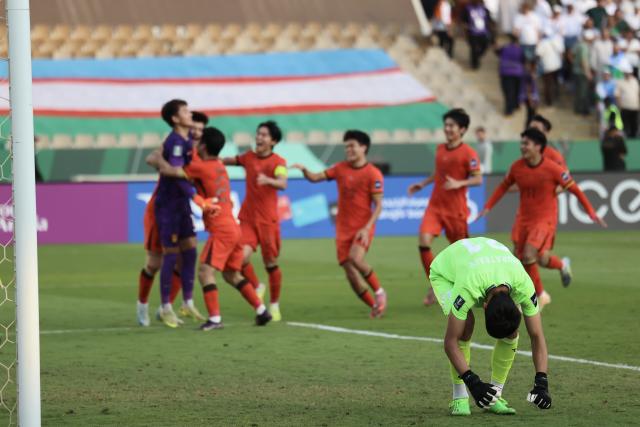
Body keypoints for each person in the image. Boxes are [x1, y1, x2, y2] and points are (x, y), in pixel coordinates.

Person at [148, 127, 272, 329]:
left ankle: (215, 319)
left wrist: (158, 157)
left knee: (205, 272)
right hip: (233, 227)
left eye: (199, 141)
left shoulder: (200, 167)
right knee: (232, 275)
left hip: (222, 229)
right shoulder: (219, 165)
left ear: (203, 145)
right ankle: (261, 311)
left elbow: (170, 171)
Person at [478, 128, 607, 309]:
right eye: (521, 143)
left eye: (526, 144)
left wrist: (591, 212)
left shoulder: (553, 169)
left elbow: (575, 190)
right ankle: (561, 265)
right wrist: (488, 206)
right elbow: (503, 186)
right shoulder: (516, 167)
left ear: (538, 147)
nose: (522, 147)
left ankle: (540, 295)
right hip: (523, 219)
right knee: (525, 257)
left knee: (530, 254)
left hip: (544, 219)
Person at [430, 237, 552, 416]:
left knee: (511, 331)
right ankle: (459, 398)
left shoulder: (524, 286)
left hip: (486, 264)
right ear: (484, 306)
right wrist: (473, 382)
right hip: (446, 272)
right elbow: (450, 342)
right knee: (465, 325)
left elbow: (537, 335)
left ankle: (494, 396)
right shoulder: (468, 288)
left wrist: (541, 381)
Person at [292, 130, 387, 318]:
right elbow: (315, 178)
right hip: (342, 228)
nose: (348, 150)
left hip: (362, 227)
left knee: (356, 258)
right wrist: (304, 170)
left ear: (363, 147)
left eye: (352, 146)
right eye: (346, 147)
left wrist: (367, 228)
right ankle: (374, 306)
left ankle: (379, 292)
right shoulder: (340, 168)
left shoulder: (373, 173)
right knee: (350, 273)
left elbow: (378, 205)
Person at [136, 111, 210, 327]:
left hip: (182, 205)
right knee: (154, 262)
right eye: (194, 127)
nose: (196, 132)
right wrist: (169, 168)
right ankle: (142, 305)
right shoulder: (176, 144)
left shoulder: (198, 150)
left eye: (200, 130)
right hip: (161, 206)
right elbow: (152, 157)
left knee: (186, 253)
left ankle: (168, 306)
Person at [152, 100, 218, 328]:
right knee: (171, 256)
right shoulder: (176, 142)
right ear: (175, 118)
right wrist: (196, 196)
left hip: (181, 205)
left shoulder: (187, 141)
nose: (190, 114)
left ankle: (187, 302)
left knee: (190, 251)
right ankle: (165, 307)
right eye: (185, 111)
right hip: (169, 205)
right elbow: (177, 176)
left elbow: (184, 172)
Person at [408, 108, 482, 306]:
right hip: (435, 206)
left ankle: (479, 290)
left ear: (462, 129)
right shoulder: (440, 148)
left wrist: (459, 183)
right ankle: (435, 285)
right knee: (424, 240)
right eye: (446, 125)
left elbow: (478, 179)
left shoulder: (468, 153)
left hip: (455, 209)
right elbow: (439, 173)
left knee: (463, 254)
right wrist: (422, 184)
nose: (447, 129)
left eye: (452, 126)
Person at [223, 121, 288, 322]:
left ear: (273, 141)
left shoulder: (279, 162)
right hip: (248, 219)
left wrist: (269, 181)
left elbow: (283, 183)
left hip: (268, 222)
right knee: (238, 261)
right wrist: (211, 159)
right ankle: (257, 286)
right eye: (258, 134)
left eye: (264, 135)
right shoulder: (248, 157)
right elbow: (231, 160)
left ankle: (274, 304)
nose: (259, 138)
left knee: (271, 263)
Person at [495, 34, 525, 115]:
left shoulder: (505, 48)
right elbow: (523, 60)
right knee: (516, 90)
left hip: (505, 72)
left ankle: (509, 109)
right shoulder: (520, 49)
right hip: (517, 73)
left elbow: (497, 52)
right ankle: (515, 105)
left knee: (508, 91)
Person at [570, 30, 596, 116]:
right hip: (582, 73)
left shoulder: (578, 44)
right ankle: (582, 110)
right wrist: (588, 73)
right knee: (583, 92)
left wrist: (574, 63)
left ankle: (577, 109)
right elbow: (583, 61)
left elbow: (571, 54)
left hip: (576, 71)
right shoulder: (584, 47)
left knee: (578, 91)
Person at [536, 29, 564, 106]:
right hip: (557, 65)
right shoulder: (556, 41)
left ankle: (549, 102)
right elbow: (561, 51)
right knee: (555, 82)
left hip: (547, 66)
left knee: (547, 84)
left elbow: (538, 53)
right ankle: (556, 97)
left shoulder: (543, 43)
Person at [462, 0, 493, 69]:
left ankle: (477, 56)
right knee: (473, 48)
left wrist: (491, 30)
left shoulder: (484, 9)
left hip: (483, 32)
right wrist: (465, 31)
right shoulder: (467, 9)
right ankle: (474, 64)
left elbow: (489, 20)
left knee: (485, 46)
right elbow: (464, 21)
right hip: (472, 32)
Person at [614, 64, 640, 137]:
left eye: (629, 73)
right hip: (625, 107)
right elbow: (617, 95)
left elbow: (638, 93)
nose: (628, 74)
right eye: (626, 73)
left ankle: (634, 136)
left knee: (634, 125)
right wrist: (619, 105)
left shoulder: (635, 81)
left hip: (635, 107)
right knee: (626, 125)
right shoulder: (620, 82)